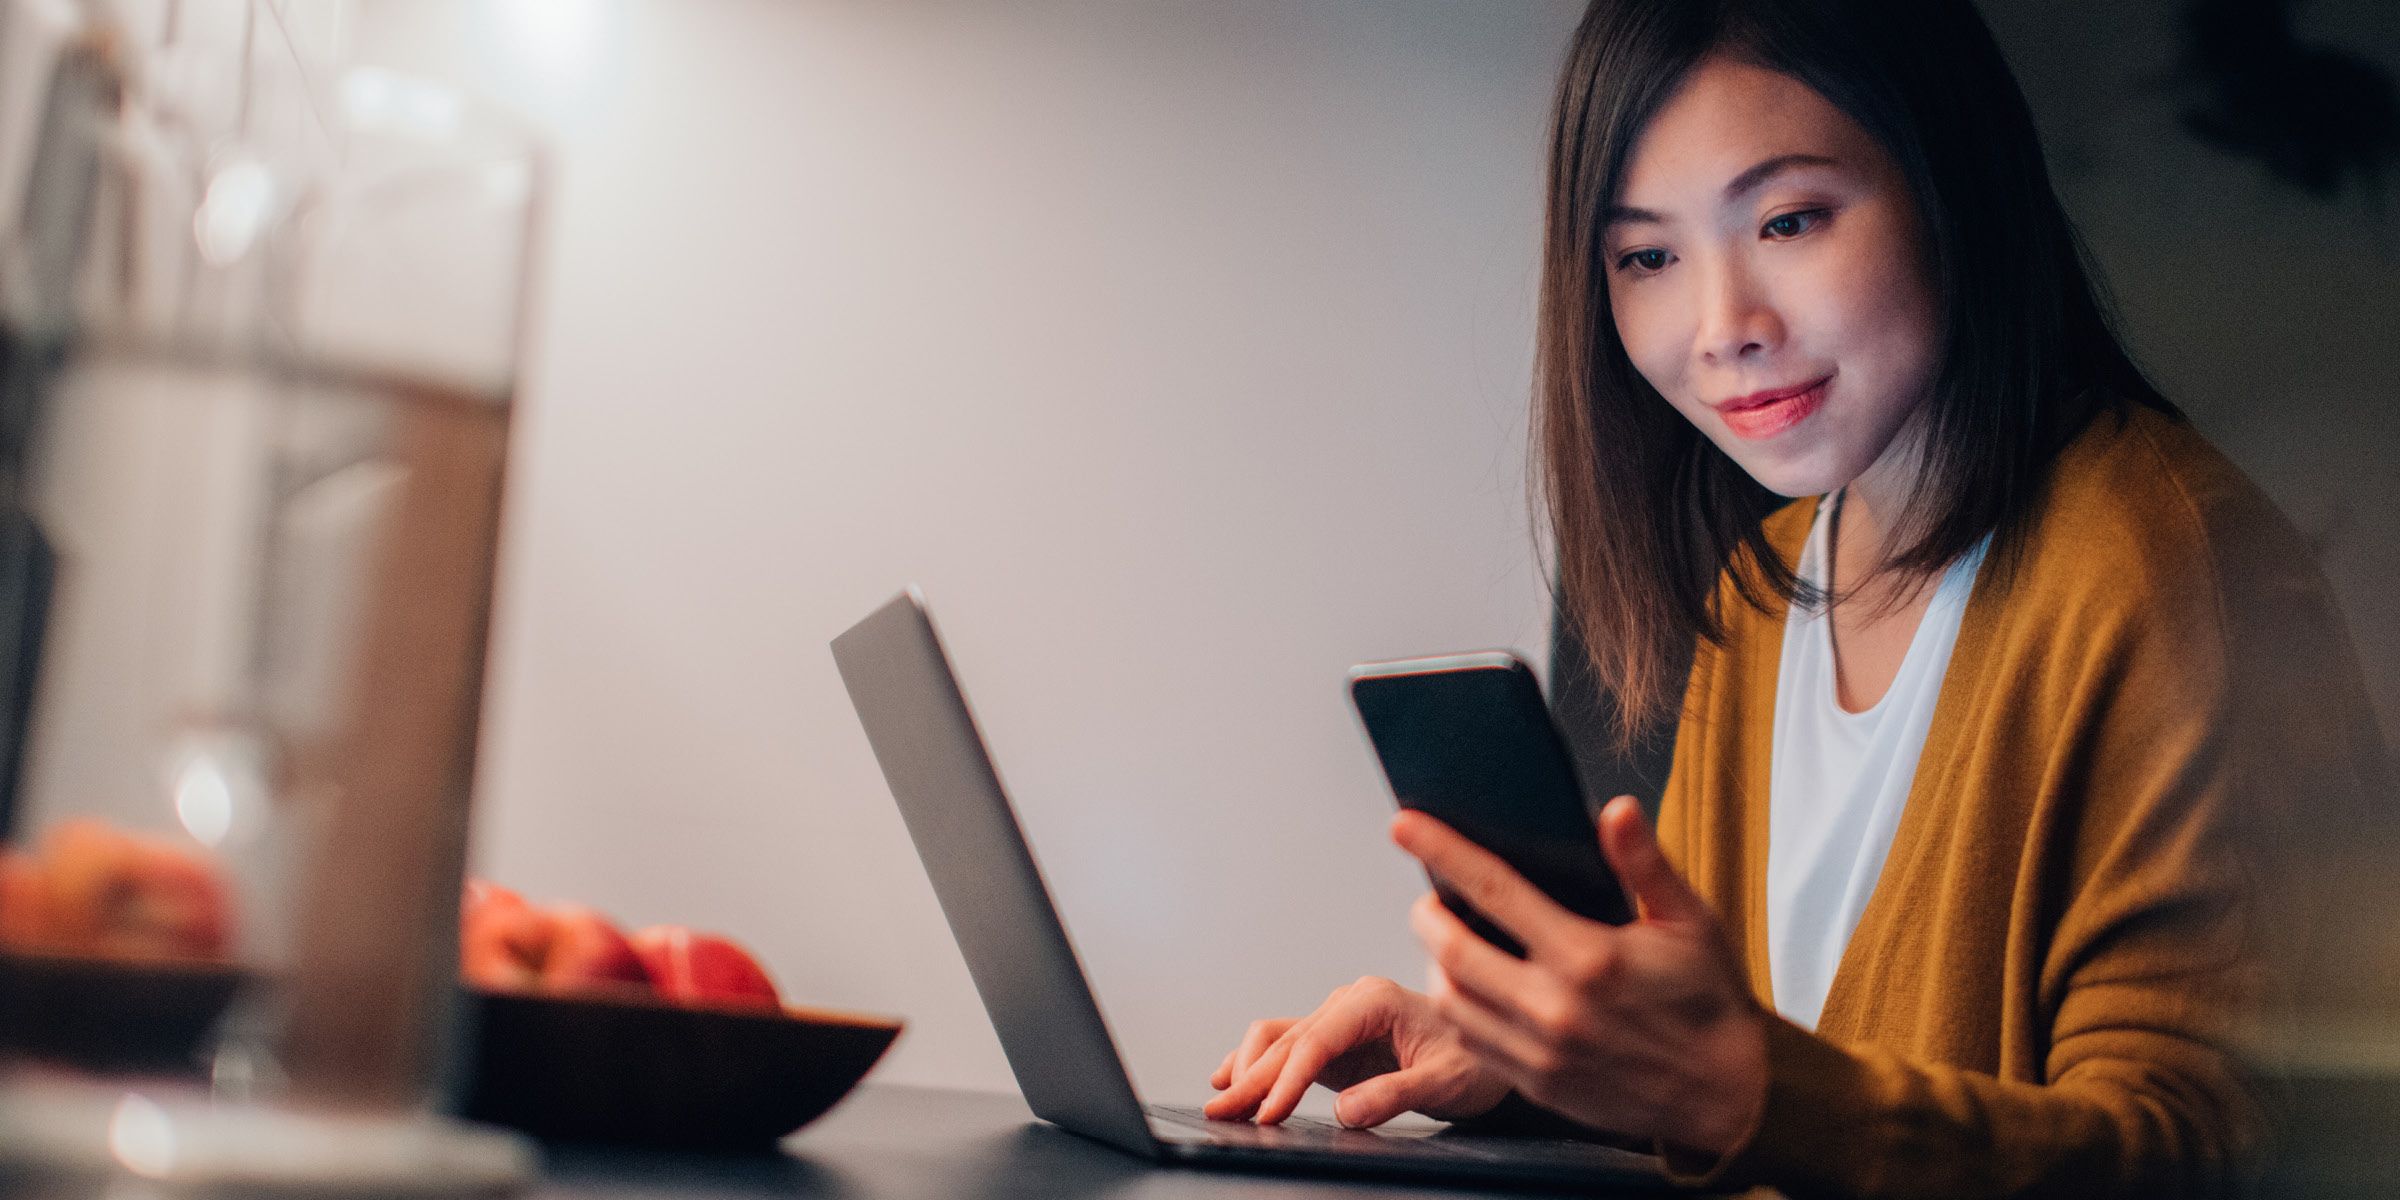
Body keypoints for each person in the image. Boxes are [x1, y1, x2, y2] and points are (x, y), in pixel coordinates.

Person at [1201, 0, 2391, 1196]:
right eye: (1648, 259)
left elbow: (2193, 1156)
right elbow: (1779, 1094)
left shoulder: (2165, 567)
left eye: (1789, 219)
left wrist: (1734, 1090)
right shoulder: (1764, 595)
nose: (1725, 329)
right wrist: (1540, 1066)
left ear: (1953, 187)